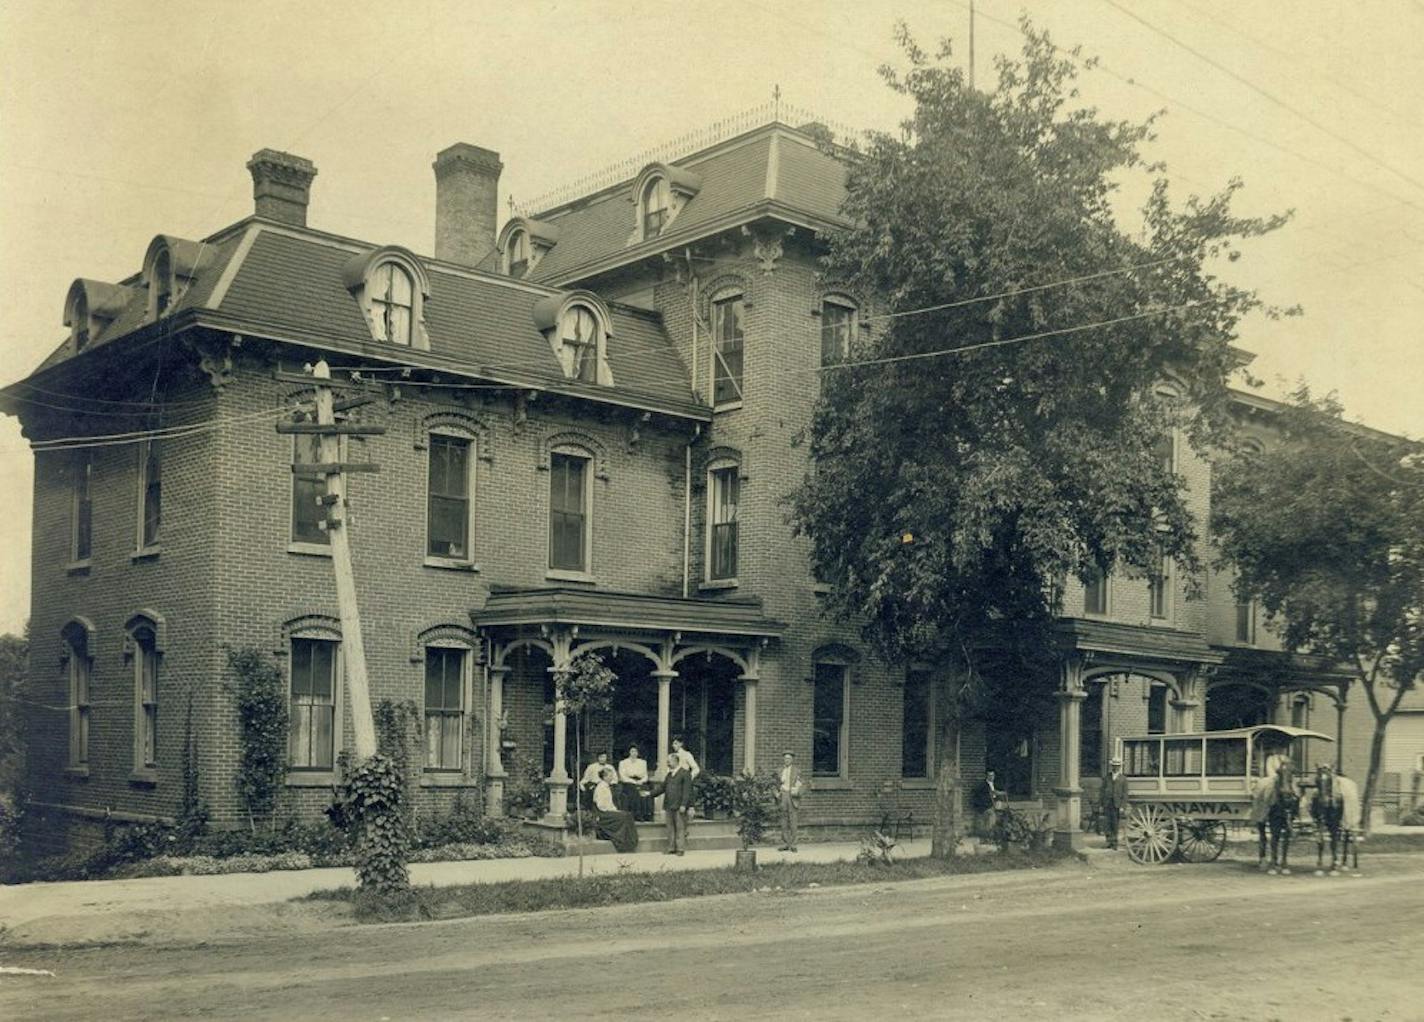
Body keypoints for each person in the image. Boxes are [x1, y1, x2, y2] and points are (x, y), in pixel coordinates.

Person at [649, 753, 694, 855]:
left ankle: (680, 849)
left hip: (679, 806)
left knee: (680, 827)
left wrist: (684, 804)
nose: (667, 763)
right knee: (670, 827)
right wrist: (650, 794)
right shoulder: (669, 775)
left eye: (669, 761)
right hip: (669, 805)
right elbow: (662, 788)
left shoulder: (685, 773)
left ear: (675, 761)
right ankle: (671, 848)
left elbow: (687, 791)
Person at [592, 766, 639, 853]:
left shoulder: (606, 786)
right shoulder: (601, 787)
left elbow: (610, 803)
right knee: (624, 816)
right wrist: (613, 811)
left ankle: (630, 842)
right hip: (603, 813)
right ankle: (624, 842)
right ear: (605, 777)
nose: (612, 777)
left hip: (608, 810)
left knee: (628, 815)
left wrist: (615, 810)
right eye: (610, 776)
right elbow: (601, 805)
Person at [777, 750, 806, 851]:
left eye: (789, 758)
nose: (787, 760)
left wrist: (797, 792)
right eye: (785, 758)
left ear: (792, 760)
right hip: (783, 796)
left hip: (792, 797)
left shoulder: (797, 771)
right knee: (783, 820)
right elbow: (774, 784)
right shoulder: (779, 770)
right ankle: (785, 843)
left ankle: (793, 844)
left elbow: (803, 785)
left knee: (793, 820)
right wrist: (775, 793)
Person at [618, 744, 652, 821]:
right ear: (629, 752)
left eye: (636, 751)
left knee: (645, 790)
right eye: (632, 751)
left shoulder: (643, 762)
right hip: (628, 782)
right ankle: (637, 814)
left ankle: (646, 814)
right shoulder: (623, 763)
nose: (634, 753)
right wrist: (633, 781)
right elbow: (623, 777)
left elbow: (645, 776)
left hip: (640, 781)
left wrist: (641, 781)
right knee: (635, 791)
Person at [1101, 756, 1129, 850]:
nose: (1115, 767)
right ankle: (1109, 842)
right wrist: (1101, 804)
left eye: (1117, 766)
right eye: (1114, 766)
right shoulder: (1107, 777)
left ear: (1120, 767)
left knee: (1115, 824)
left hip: (1117, 804)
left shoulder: (1123, 779)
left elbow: (1125, 794)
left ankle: (1115, 844)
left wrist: (1122, 806)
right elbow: (1102, 791)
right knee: (1107, 823)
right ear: (1111, 766)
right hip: (1107, 803)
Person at [970, 771, 1001, 837]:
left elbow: (997, 794)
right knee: (991, 815)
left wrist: (998, 800)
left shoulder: (995, 784)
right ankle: (989, 833)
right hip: (985, 806)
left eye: (993, 775)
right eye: (990, 775)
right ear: (986, 776)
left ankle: (995, 832)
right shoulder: (982, 785)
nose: (991, 777)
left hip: (993, 804)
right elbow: (976, 794)